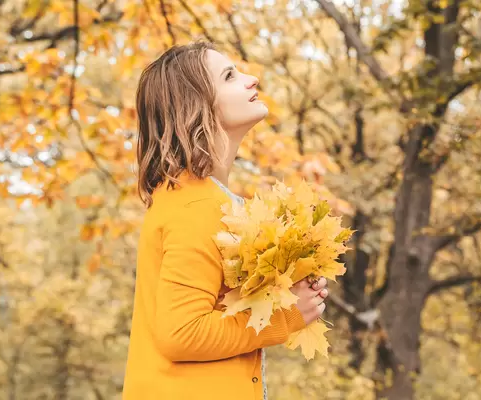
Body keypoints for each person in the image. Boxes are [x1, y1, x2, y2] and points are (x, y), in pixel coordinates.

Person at [122, 41, 329, 400]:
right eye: (230, 76)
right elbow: (182, 333)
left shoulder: (206, 200)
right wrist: (285, 317)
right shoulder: (194, 205)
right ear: (196, 104)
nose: (251, 80)